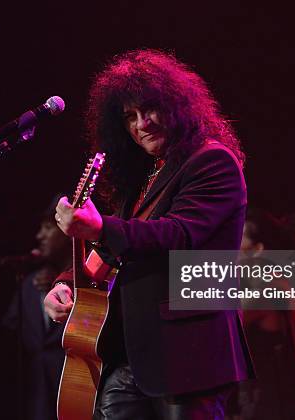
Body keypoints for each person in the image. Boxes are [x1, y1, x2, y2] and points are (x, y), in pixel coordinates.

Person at [44, 49, 254, 419]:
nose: (142, 123)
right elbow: (114, 250)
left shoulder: (213, 161)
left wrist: (100, 226)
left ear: (178, 105)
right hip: (130, 357)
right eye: (129, 117)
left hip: (188, 356)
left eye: (150, 108)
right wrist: (67, 285)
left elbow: (178, 234)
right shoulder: (145, 175)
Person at [0, 198, 71, 420]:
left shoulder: (89, 280)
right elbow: (8, 342)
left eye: (47, 227)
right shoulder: (29, 285)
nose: (39, 236)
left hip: (78, 395)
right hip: (36, 402)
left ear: (67, 231)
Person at [237, 208, 295, 419]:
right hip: (271, 405)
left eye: (237, 238)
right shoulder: (271, 284)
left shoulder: (267, 289)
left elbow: (222, 324)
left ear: (258, 249)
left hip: (273, 407)